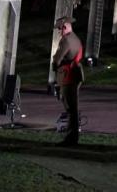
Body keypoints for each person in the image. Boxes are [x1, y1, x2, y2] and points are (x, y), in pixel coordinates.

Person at [51, 16, 84, 146]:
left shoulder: (66, 41)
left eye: (60, 29)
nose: (59, 32)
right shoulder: (76, 38)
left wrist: (55, 67)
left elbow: (57, 59)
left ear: (65, 27)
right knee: (73, 109)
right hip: (75, 75)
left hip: (67, 76)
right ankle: (73, 137)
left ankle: (70, 139)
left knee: (70, 109)